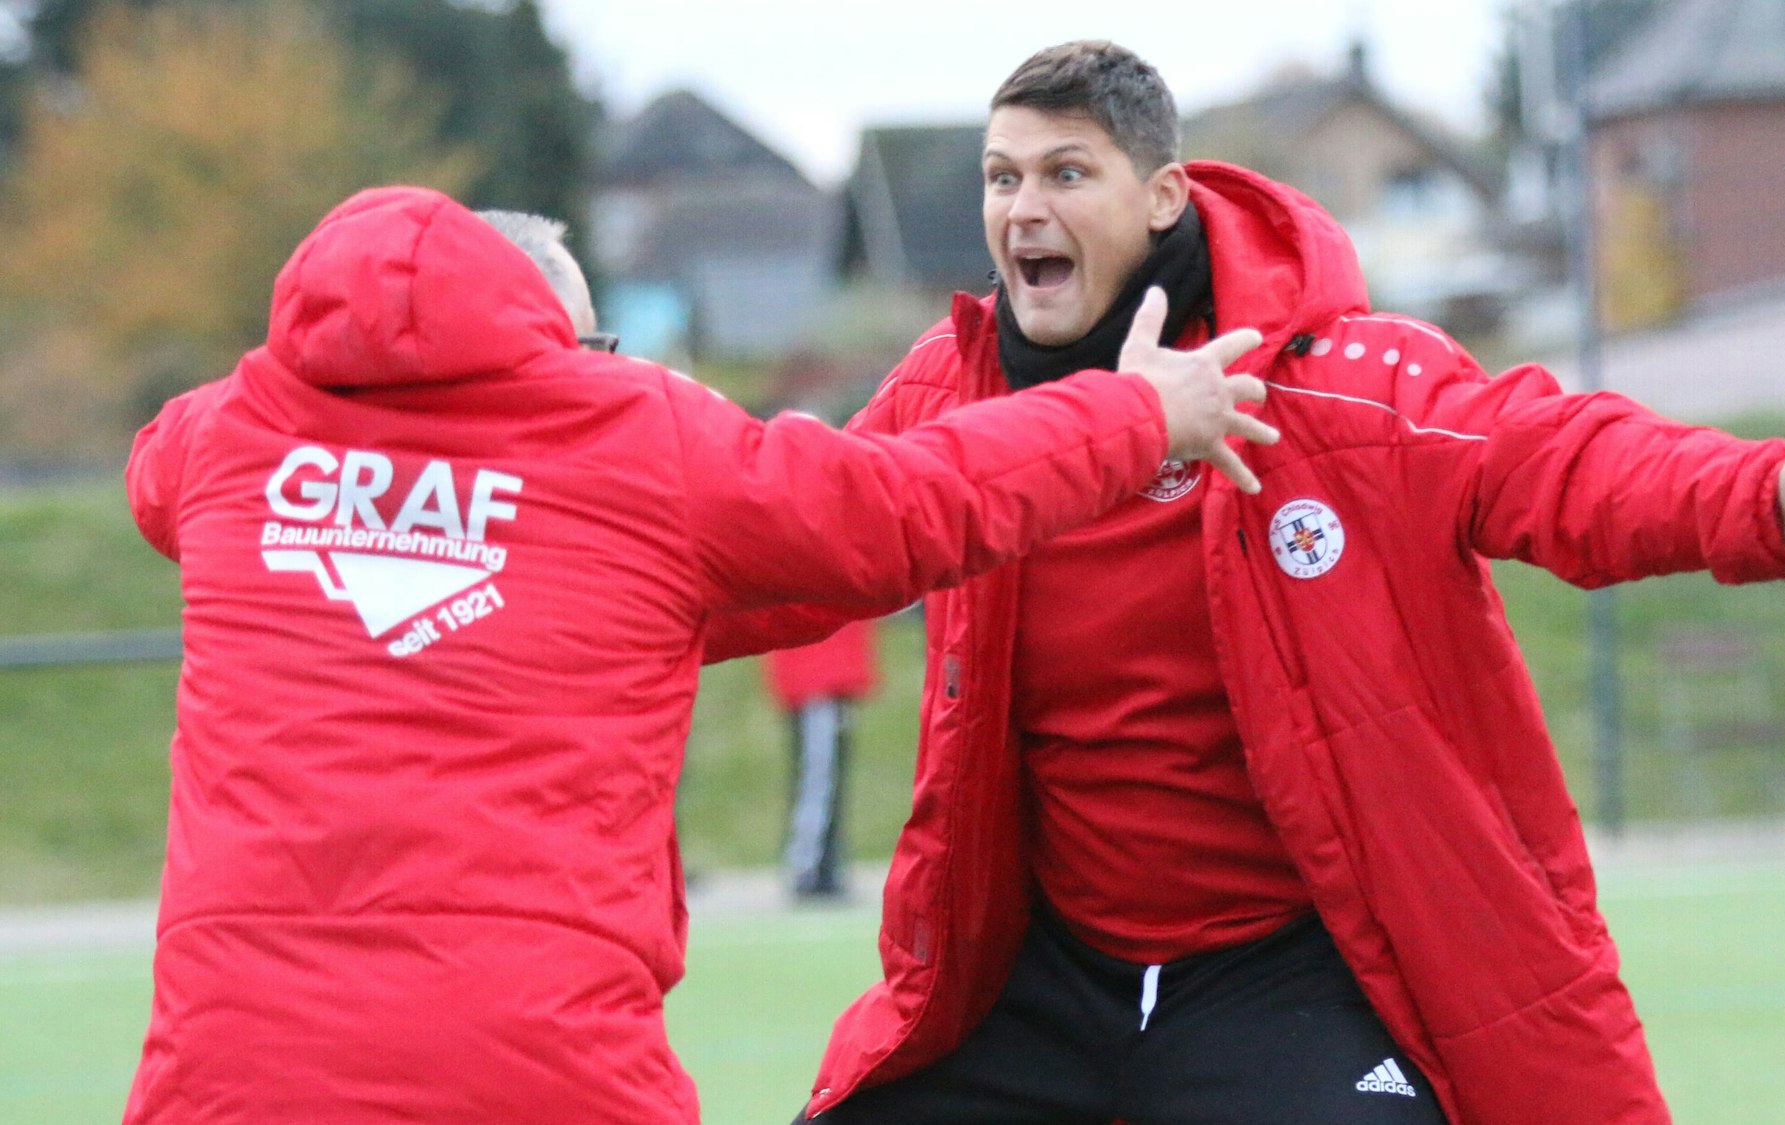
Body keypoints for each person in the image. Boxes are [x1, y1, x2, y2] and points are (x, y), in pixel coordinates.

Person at [704, 41, 1785, 1125]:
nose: (1021, 208)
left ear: (1161, 196)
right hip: (1040, 969)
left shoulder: (1340, 380)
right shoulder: (950, 390)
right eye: (1001, 177)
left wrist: (1758, 500)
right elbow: (802, 545)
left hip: (1274, 975)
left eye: (1064, 174)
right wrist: (608, 574)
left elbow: (1552, 458)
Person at [118, 184, 1278, 1123]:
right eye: (590, 342)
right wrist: (1134, 416)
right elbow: (904, 505)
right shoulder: (636, 437)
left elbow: (156, 481)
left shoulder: (226, 438)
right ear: (542, 331)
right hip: (542, 1071)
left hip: (224, 1079)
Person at [763, 617, 881, 900]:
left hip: (824, 673)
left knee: (825, 773)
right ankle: (808, 865)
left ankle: (823, 864)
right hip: (817, 675)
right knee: (819, 774)